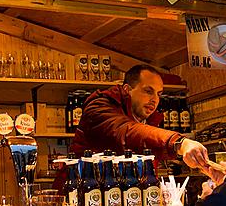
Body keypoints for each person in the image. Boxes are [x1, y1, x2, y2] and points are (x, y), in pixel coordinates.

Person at [71, 64, 216, 172]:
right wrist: (179, 143)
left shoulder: (148, 119)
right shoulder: (99, 107)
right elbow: (126, 132)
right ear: (127, 90)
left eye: (158, 94)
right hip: (80, 199)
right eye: (148, 91)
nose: (155, 100)